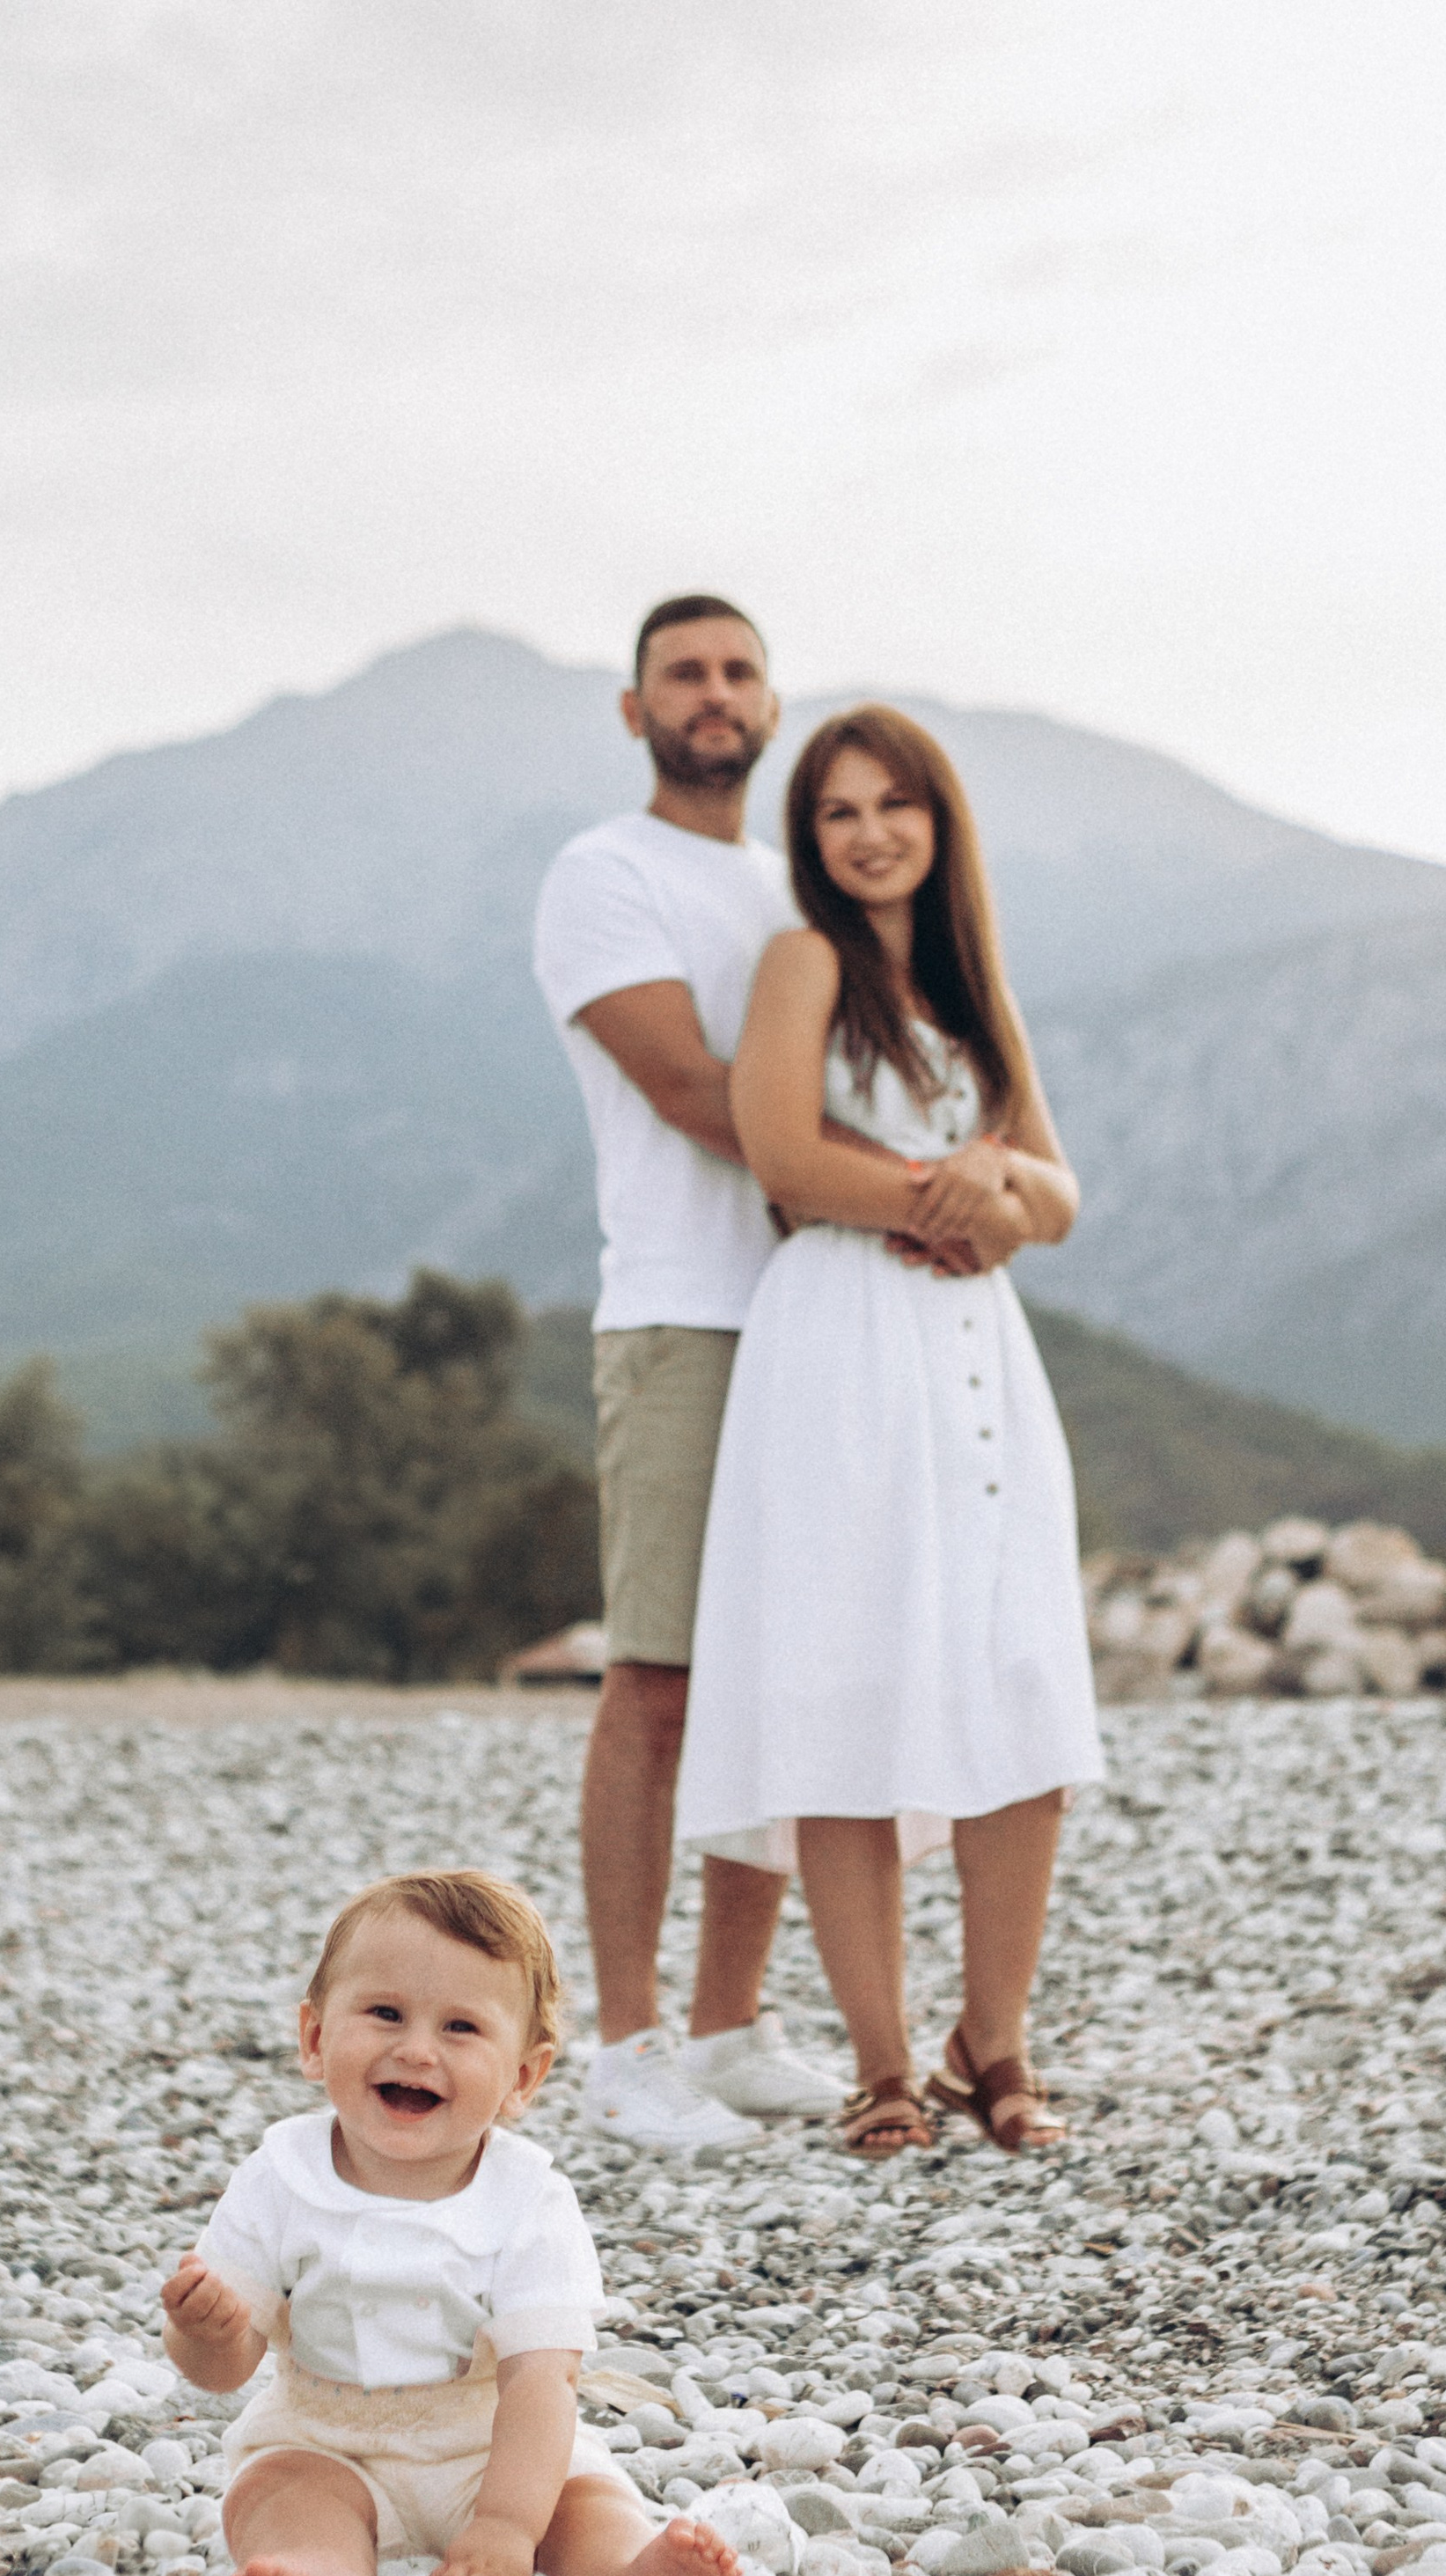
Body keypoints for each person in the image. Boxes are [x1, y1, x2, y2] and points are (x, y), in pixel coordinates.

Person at [674, 705, 1105, 2160]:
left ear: (938, 821)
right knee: (848, 1680)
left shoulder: (975, 985)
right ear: (813, 838)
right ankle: (882, 2063)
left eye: (894, 805)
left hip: (975, 1348)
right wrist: (945, 1194)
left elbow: (1058, 1187)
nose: (869, 833)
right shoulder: (805, 963)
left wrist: (1002, 1199)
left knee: (1018, 1676)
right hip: (842, 1341)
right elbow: (785, 1154)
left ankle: (1000, 2039)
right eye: (840, 811)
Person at [532, 595, 844, 2153]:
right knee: (655, 1681)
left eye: (737, 671)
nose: (714, 696)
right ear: (634, 707)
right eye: (684, 674)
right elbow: (684, 1087)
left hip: (815, 1313)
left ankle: (730, 2027)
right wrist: (889, 1183)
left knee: (776, 1682)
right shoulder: (605, 876)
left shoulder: (803, 889)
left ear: (773, 702)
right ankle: (627, 2044)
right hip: (679, 1316)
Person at [159, 1868, 741, 2576]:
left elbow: (543, 2381)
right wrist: (205, 2331)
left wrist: (505, 2525)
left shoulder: (528, 2198)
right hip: (325, 2442)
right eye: (386, 2014)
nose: (417, 2050)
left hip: (491, 2449)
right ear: (314, 2038)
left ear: (523, 2077)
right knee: (277, 2492)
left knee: (585, 2503)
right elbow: (223, 2372)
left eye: (460, 2028)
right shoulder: (281, 2175)